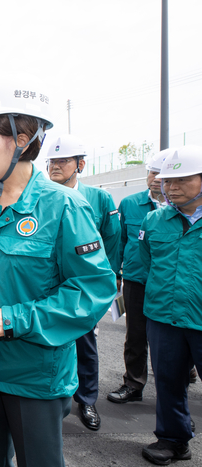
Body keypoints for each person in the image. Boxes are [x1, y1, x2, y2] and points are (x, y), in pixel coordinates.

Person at [0, 80, 116, 467]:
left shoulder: (63, 207)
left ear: (21, 140)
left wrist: (9, 319)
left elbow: (92, 289)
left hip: (35, 379)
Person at [46, 134, 121, 431]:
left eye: (63, 161)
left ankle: (86, 399)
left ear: (80, 164)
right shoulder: (37, 195)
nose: (55, 166)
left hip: (84, 284)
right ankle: (52, 398)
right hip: (49, 283)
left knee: (85, 342)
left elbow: (112, 239)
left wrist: (110, 279)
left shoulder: (99, 198)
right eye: (52, 161)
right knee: (50, 340)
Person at [139, 145, 202, 465]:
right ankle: (173, 439)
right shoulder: (154, 220)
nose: (171, 188)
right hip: (164, 316)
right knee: (168, 380)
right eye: (167, 181)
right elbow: (148, 262)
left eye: (181, 181)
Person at [106, 148, 171, 405]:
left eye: (162, 173)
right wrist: (117, 273)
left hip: (169, 283)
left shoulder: (182, 207)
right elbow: (120, 240)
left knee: (172, 338)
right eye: (153, 172)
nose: (156, 178)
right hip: (135, 278)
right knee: (135, 335)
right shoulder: (130, 204)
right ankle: (133, 384)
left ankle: (176, 391)